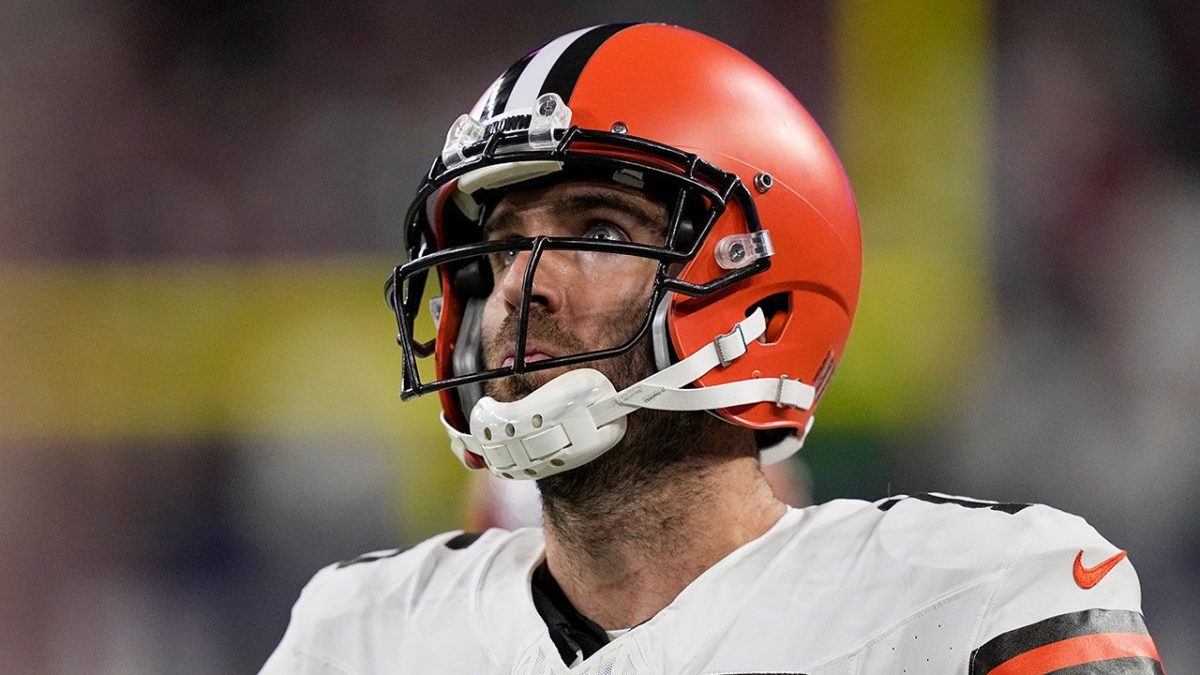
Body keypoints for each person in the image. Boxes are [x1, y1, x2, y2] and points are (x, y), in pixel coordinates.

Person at [262, 23, 1163, 674]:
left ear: (762, 300)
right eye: (501, 247)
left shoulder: (975, 601)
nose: (519, 287)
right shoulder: (358, 635)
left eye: (600, 231)